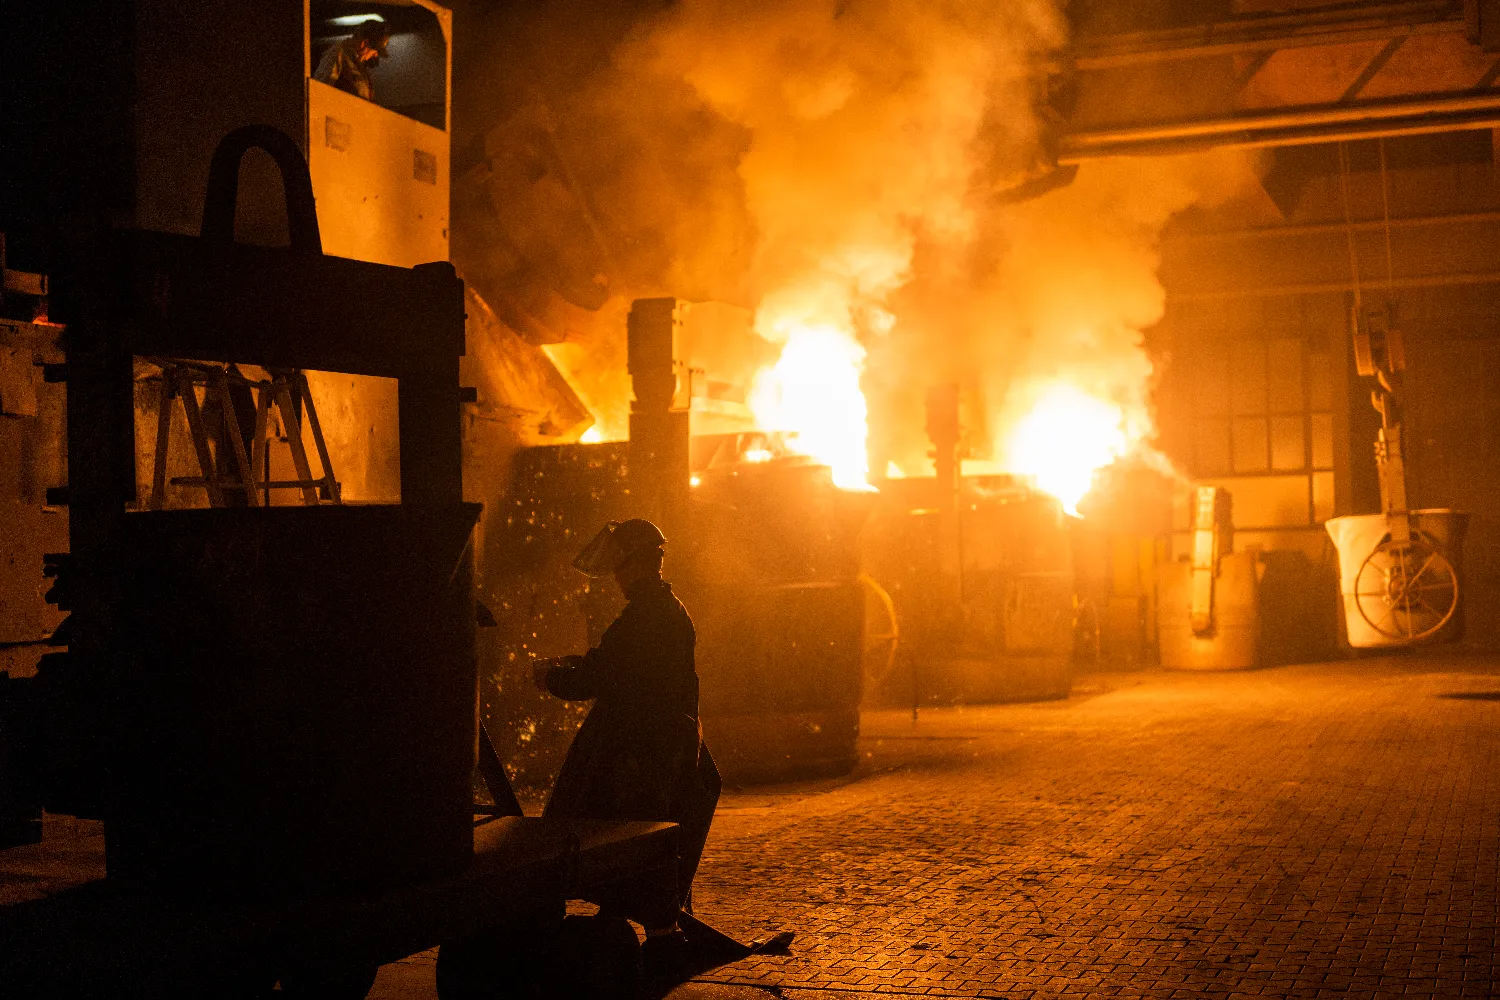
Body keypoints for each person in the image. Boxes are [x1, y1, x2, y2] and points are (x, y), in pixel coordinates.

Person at [534, 518, 721, 968]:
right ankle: (651, 927)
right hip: (659, 742)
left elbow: (603, 675)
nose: (617, 577)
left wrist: (550, 676)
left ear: (636, 565)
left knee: (612, 829)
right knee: (642, 831)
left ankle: (655, 935)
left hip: (639, 749)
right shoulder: (665, 610)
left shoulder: (644, 617)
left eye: (621, 567)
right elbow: (618, 665)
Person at [313, 20, 389, 102]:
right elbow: (321, 91)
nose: (375, 55)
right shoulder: (338, 53)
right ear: (364, 43)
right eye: (375, 51)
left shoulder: (360, 65)